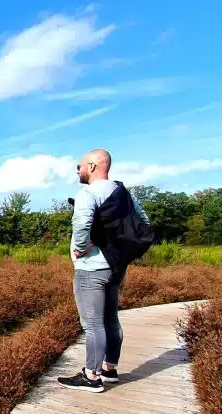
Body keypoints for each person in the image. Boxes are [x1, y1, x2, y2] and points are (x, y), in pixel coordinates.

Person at [58, 149, 150, 393]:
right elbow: (144, 222)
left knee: (92, 324)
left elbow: (81, 223)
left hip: (92, 269)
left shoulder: (87, 194)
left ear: (91, 165)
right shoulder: (123, 193)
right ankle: (110, 369)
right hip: (116, 267)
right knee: (110, 318)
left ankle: (91, 376)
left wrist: (81, 248)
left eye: (79, 166)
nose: (77, 171)